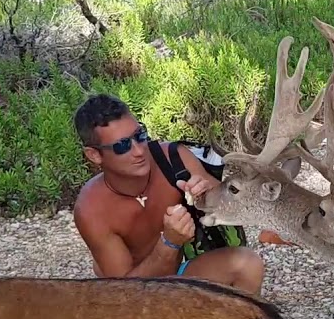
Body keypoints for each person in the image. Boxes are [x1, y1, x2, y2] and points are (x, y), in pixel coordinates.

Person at [71, 94, 266, 295]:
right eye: (122, 146)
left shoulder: (173, 158)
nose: (139, 151)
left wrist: (205, 194)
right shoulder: (91, 210)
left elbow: (235, 205)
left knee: (248, 265)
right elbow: (127, 293)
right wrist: (169, 243)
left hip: (183, 273)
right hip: (139, 291)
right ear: (94, 155)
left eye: (140, 135)